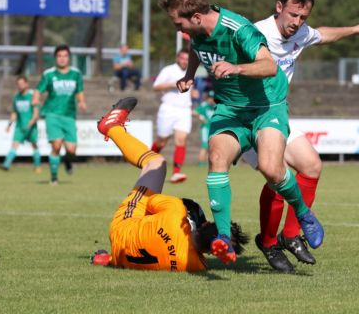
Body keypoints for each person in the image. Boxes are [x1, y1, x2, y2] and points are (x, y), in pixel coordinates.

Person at [160, 0, 324, 265]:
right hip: (230, 109)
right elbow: (197, 47)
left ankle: (302, 212)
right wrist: (189, 74)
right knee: (216, 157)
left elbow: (269, 65)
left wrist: (236, 68)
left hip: (266, 106)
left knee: (274, 171)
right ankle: (223, 237)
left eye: (179, 23)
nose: (178, 29)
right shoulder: (197, 31)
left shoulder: (240, 29)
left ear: (196, 17)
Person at [242, 0, 359, 272]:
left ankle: (290, 236)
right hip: (249, 119)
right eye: (293, 15)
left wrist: (354, 29)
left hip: (276, 116)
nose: (297, 23)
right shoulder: (255, 33)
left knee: (312, 166)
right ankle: (267, 242)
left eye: (303, 17)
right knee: (278, 178)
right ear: (279, 7)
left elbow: (323, 34)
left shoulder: (300, 33)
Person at [92, 97, 249, 271]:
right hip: (123, 256)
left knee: (156, 164)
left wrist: (186, 218)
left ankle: (111, 128)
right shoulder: (196, 266)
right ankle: (108, 258)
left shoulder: (176, 212)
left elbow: (151, 202)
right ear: (211, 253)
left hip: (123, 228)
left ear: (205, 224)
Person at [32, 45, 86, 184]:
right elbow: (38, 90)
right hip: (52, 114)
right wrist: (36, 98)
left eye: (65, 56)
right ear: (55, 58)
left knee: (71, 150)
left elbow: (79, 90)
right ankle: (54, 177)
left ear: (69, 57)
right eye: (59, 56)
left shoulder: (76, 74)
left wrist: (81, 101)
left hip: (69, 115)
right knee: (56, 146)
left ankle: (67, 161)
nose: (62, 59)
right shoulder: (49, 74)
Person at [150, 48, 193, 183]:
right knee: (162, 140)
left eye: (187, 59)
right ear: (177, 58)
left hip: (184, 110)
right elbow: (156, 87)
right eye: (182, 58)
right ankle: (148, 160)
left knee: (181, 139)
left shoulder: (191, 71)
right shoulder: (168, 70)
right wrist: (173, 84)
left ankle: (176, 172)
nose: (184, 61)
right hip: (168, 108)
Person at [0, 76, 41, 173]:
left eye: (22, 83)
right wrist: (9, 124)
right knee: (14, 144)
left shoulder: (32, 96)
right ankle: (6, 165)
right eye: (18, 84)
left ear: (27, 84)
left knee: (34, 145)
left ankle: (37, 165)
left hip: (31, 126)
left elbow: (36, 113)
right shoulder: (16, 97)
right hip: (19, 126)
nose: (20, 85)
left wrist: (30, 124)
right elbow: (14, 113)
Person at [193, 89, 216, 167]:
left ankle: (206, 163)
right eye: (210, 97)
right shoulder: (204, 105)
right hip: (205, 129)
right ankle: (201, 163)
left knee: (211, 146)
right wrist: (200, 117)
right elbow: (194, 112)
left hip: (213, 128)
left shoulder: (216, 106)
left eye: (213, 97)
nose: (211, 99)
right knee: (204, 145)